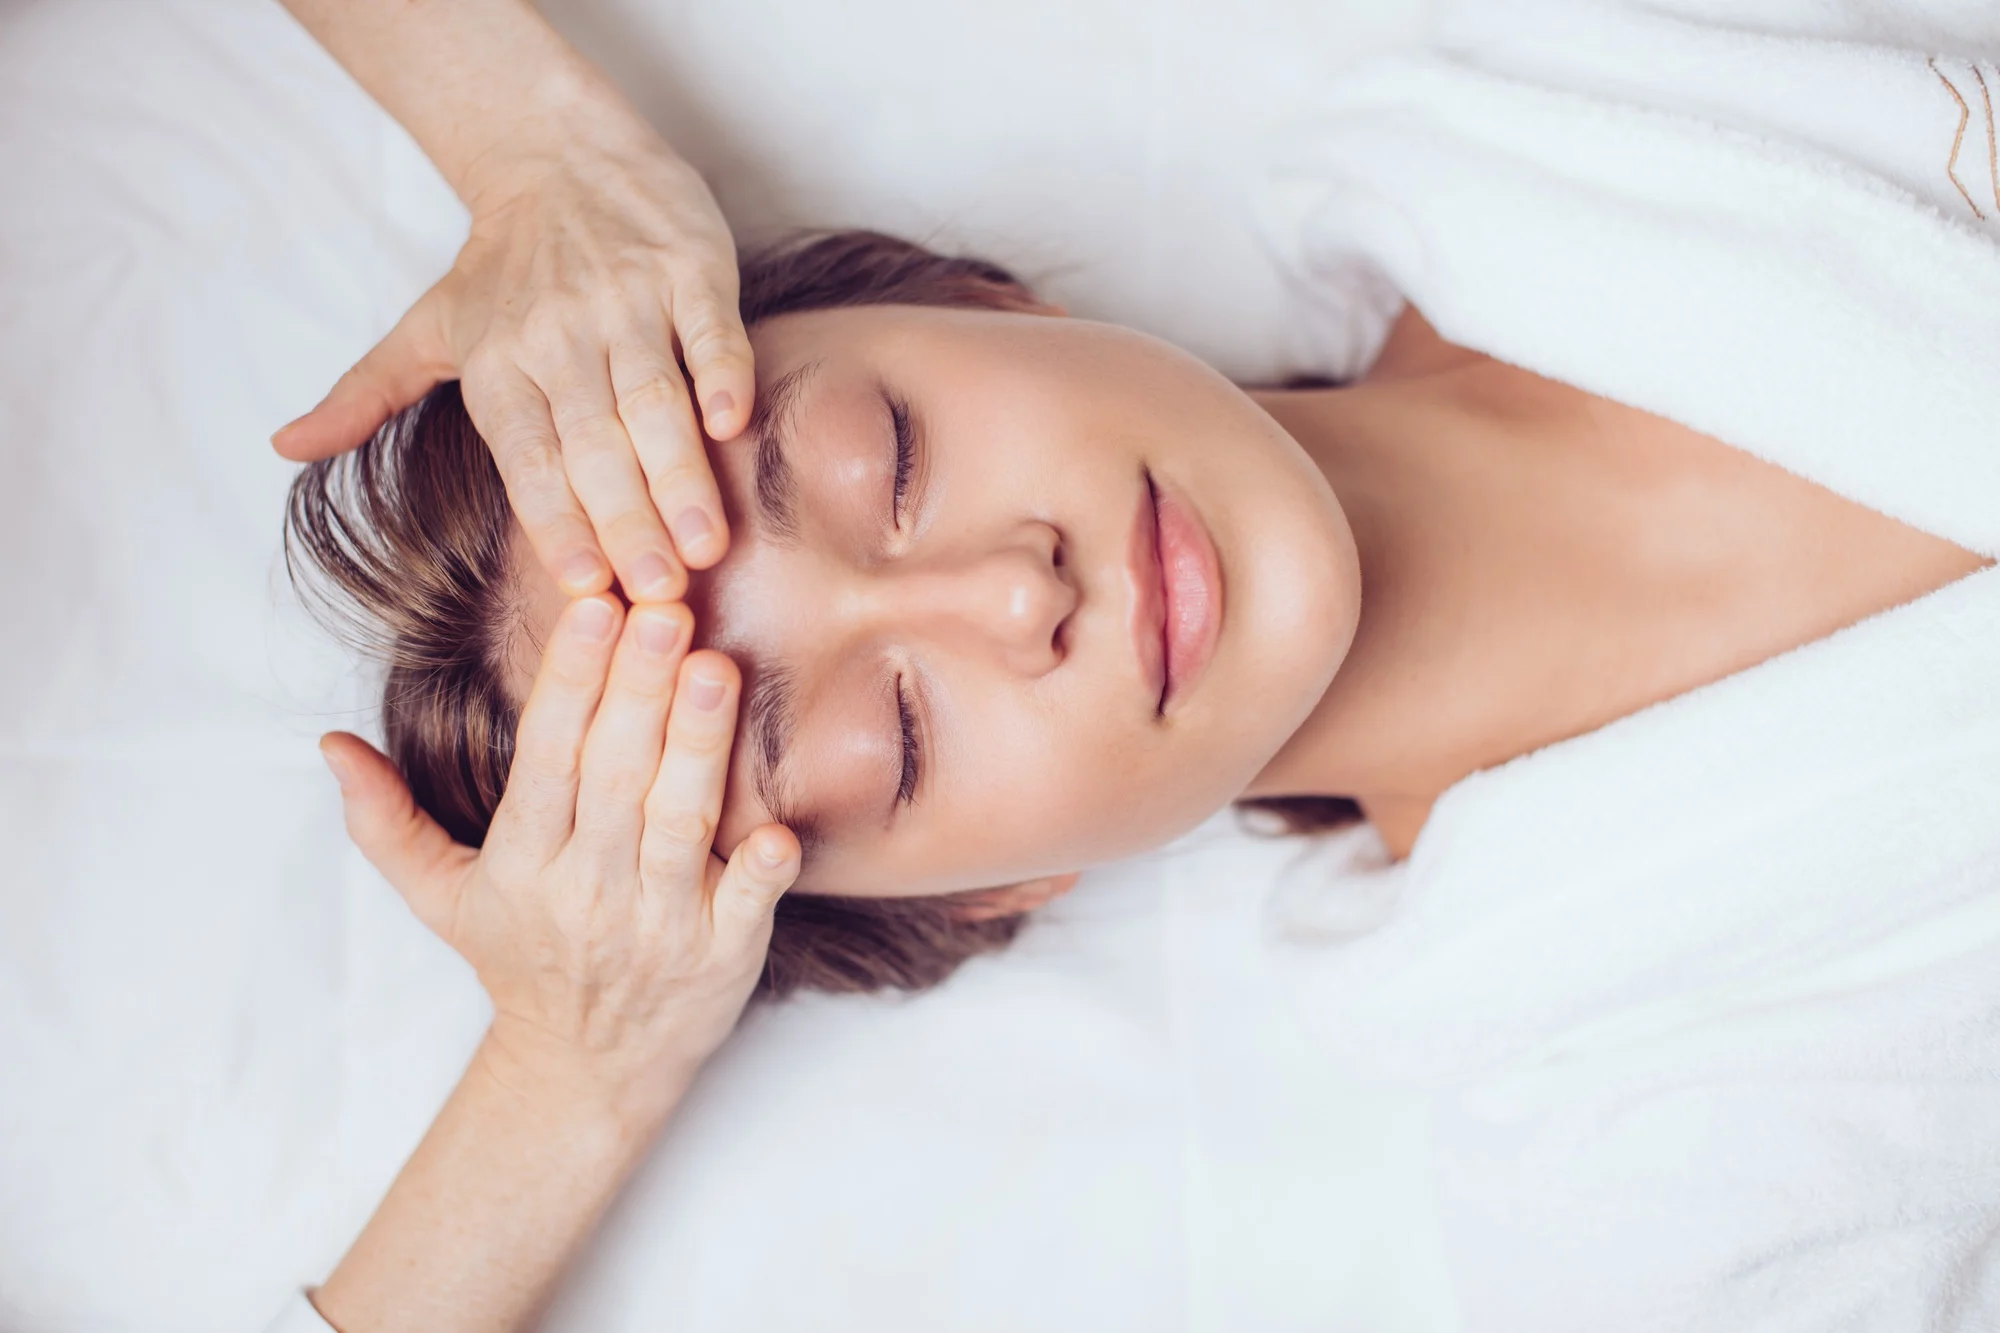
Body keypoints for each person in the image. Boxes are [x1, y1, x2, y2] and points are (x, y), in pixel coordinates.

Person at [266, 2, 1999, 1330]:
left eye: (887, 458)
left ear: (980, 301)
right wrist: (573, 1079)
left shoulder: (1619, 66)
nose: (1011, 599)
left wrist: (540, 150)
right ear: (1001, 889)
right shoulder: (1662, 1182)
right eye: (896, 733)